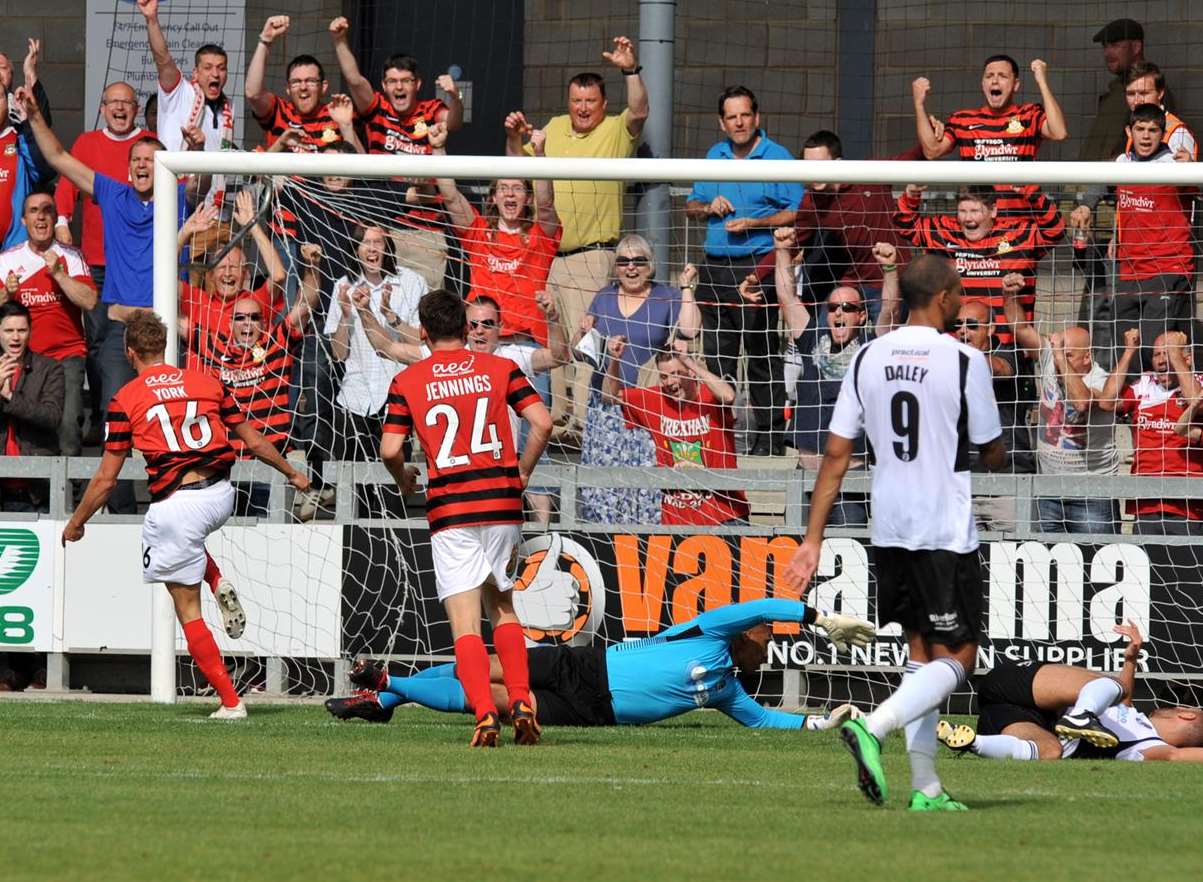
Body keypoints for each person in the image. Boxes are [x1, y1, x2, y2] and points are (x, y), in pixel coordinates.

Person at [784, 253, 1008, 811]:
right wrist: (993, 448)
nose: (960, 300)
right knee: (958, 658)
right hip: (941, 528)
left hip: (888, 525)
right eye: (957, 292)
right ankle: (874, 728)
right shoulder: (964, 360)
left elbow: (834, 456)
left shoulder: (866, 357)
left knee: (919, 656)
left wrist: (812, 540)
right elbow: (993, 452)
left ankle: (926, 789)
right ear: (944, 298)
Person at [61, 311, 310, 718]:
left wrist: (77, 522)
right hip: (220, 495)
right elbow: (251, 438)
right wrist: (292, 473)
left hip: (178, 504)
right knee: (189, 540)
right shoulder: (207, 382)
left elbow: (107, 480)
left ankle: (231, 703)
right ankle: (216, 579)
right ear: (164, 347)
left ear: (129, 353)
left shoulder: (126, 399)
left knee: (186, 610)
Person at [380, 289, 552, 747]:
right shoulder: (501, 368)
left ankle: (483, 713)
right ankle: (520, 700)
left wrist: (404, 479)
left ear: (423, 331)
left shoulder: (408, 380)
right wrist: (522, 472)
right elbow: (543, 422)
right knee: (503, 607)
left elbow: (390, 449)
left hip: (452, 508)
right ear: (465, 328)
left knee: (464, 622)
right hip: (500, 503)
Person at [18, 87, 199, 514]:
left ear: (165, 168)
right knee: (116, 418)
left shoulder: (177, 199)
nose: (139, 165)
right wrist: (33, 116)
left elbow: (204, 182)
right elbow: (60, 158)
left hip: (164, 329)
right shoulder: (115, 196)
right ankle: (121, 512)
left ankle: (175, 505)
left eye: (148, 161)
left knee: (171, 419)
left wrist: (197, 151)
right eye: (134, 160)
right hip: (122, 329)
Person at [327, 598, 873, 730]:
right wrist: (817, 618)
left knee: (491, 697)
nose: (760, 634)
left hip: (592, 711)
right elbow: (761, 606)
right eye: (758, 632)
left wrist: (818, 722)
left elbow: (765, 721)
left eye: (763, 637)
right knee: (481, 667)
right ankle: (388, 691)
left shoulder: (730, 693)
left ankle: (385, 690)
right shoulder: (710, 634)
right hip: (586, 666)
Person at [506, 36, 648, 438]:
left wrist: (630, 70)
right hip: (549, 256)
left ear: (603, 104)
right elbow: (517, 167)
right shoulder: (552, 128)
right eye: (576, 101)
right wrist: (514, 139)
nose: (583, 109)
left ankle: (586, 423)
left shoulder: (617, 131)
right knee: (556, 339)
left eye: (590, 102)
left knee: (589, 340)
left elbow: (639, 111)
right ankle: (560, 419)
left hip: (593, 255)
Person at [355, 293, 569, 523]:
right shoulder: (440, 355)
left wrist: (553, 318)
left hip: (492, 475)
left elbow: (558, 357)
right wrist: (364, 310)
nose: (479, 330)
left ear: (500, 326)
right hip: (468, 484)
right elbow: (386, 347)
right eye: (474, 324)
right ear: (464, 328)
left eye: (487, 324)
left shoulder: (511, 357)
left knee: (534, 531)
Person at [685, 86, 803, 456]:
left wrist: (756, 222)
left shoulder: (778, 157)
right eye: (731, 116)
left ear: (757, 118)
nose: (739, 122)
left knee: (762, 355)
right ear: (722, 122)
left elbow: (797, 211)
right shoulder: (714, 155)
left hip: (757, 268)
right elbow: (691, 204)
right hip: (715, 269)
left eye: (744, 115)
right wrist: (708, 207)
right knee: (718, 358)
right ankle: (718, 442)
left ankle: (768, 444)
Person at [770, 231, 902, 526]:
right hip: (807, 475)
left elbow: (891, 310)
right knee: (798, 560)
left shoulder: (873, 344)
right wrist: (781, 250)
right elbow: (786, 298)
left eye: (848, 308)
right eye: (833, 308)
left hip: (850, 478)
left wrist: (890, 270)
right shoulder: (811, 336)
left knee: (850, 557)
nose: (839, 312)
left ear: (862, 316)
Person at [939, 622, 1203, 762]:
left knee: (1050, 752)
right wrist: (1131, 659)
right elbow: (1125, 698)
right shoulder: (1136, 718)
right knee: (1115, 688)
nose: (1179, 705)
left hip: (1014, 719)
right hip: (1019, 686)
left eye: (1186, 707)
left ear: (1188, 716)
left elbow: (1176, 755)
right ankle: (1082, 715)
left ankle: (973, 742)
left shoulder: (1151, 748)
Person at [52, 80, 154, 443]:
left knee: (145, 339)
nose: (120, 109)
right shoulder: (87, 143)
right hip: (95, 261)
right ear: (103, 108)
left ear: (136, 108)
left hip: (139, 266)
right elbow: (67, 182)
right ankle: (102, 413)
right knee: (98, 342)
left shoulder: (149, 146)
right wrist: (62, 220)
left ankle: (142, 415)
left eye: (126, 103)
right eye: (113, 103)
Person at [328, 15, 462, 287]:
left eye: (406, 81)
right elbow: (355, 81)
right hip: (382, 231)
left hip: (423, 233)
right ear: (384, 85)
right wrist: (340, 40)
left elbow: (454, 122)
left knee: (425, 313)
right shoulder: (378, 108)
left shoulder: (431, 109)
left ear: (418, 84)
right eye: (392, 81)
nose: (399, 87)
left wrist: (456, 97)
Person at [576, 235, 701, 524]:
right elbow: (580, 351)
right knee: (603, 492)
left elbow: (690, 331)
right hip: (606, 408)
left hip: (647, 409)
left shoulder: (666, 296)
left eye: (638, 261)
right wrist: (581, 334)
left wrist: (685, 287)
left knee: (646, 490)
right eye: (623, 261)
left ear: (650, 265)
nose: (631, 268)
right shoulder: (604, 297)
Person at [194, 244, 321, 518]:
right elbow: (164, 309)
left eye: (254, 318)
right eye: (240, 318)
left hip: (268, 469)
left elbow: (306, 302)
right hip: (222, 470)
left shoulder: (276, 343)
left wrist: (312, 267)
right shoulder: (213, 346)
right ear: (230, 324)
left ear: (263, 323)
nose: (247, 324)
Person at [320, 225, 426, 516]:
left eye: (378, 242)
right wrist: (343, 316)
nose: (372, 248)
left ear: (387, 246)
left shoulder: (412, 282)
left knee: (392, 489)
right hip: (353, 399)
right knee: (355, 493)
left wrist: (393, 317)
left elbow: (423, 342)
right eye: (366, 242)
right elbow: (339, 353)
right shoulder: (344, 284)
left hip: (396, 395)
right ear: (356, 248)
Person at [756, 129, 913, 324]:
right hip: (849, 285)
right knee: (823, 341)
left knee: (885, 347)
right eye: (808, 167)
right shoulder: (811, 201)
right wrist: (756, 276)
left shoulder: (870, 174)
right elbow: (795, 242)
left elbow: (917, 156)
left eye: (820, 166)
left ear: (837, 164)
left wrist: (934, 134)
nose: (814, 173)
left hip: (888, 282)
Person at [1004, 287, 1127, 534]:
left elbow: (1081, 402)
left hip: (1092, 496)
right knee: (1047, 566)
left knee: (1096, 567)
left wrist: (1059, 357)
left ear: (1086, 357)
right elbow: (1020, 328)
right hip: (1049, 493)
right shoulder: (1052, 357)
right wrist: (1009, 295)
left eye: (1069, 354)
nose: (1061, 357)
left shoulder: (1100, 379)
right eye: (1061, 353)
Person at [1081, 105, 1194, 370]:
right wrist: (1087, 204)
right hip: (1129, 271)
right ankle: (1131, 410)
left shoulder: (1177, 164)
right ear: (1129, 131)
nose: (1146, 136)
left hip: (1168, 268)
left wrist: (1193, 170)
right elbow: (1096, 181)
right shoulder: (1122, 164)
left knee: (1152, 350)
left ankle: (1159, 409)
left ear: (1163, 134)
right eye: (1140, 129)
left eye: (1153, 130)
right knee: (1125, 351)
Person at [894, 183, 1065, 347]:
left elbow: (1056, 231)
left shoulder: (1017, 235)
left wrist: (1034, 194)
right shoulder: (943, 232)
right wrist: (911, 196)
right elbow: (906, 227)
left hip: (1009, 347)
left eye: (975, 211)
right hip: (953, 345)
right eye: (962, 211)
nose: (968, 218)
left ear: (993, 210)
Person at [601, 339, 749, 526]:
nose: (670, 382)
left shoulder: (710, 395)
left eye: (676, 374)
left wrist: (689, 361)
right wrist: (614, 360)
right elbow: (609, 396)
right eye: (664, 377)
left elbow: (729, 395)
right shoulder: (653, 399)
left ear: (690, 372)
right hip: (677, 520)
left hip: (725, 515)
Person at [0, 192, 97, 457]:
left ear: (55, 218)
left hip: (67, 355)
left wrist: (59, 275)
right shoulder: (8, 259)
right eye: (33, 211)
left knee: (67, 425)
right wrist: (6, 295)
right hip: (23, 358)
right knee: (22, 425)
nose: (40, 217)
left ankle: (68, 496)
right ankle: (29, 492)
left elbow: (89, 301)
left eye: (47, 211)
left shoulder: (72, 256)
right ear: (23, 220)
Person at [913, 55, 1067, 216]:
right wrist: (919, 104)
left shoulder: (1030, 114)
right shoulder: (963, 119)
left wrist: (1042, 82)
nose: (995, 81)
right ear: (983, 85)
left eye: (1002, 76)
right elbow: (932, 150)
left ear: (1015, 85)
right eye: (989, 76)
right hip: (979, 224)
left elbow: (1059, 133)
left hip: (1021, 223)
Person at [953, 289, 1035, 531]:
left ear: (990, 329)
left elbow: (999, 369)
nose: (963, 332)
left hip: (1008, 478)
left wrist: (949, 357)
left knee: (1016, 560)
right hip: (965, 480)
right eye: (958, 326)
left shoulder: (1009, 353)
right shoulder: (951, 359)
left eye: (971, 326)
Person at [1115, 330, 1203, 536]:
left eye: (1168, 353)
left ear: (1187, 358)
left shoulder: (1198, 383)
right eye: (1157, 354)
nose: (1163, 360)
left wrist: (1177, 357)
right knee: (1146, 567)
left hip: (1188, 505)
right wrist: (1129, 352)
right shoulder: (1143, 386)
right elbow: (1106, 402)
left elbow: (1195, 402)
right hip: (1147, 501)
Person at [246, 17, 363, 153]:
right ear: (288, 89)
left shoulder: (336, 114)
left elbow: (363, 167)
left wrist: (346, 125)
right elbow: (253, 94)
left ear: (323, 87)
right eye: (296, 82)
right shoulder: (279, 111)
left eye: (310, 81)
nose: (303, 87)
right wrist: (265, 40)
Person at [138, 0, 235, 154]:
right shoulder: (180, 92)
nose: (215, 74)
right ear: (195, 73)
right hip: (174, 178)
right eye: (208, 68)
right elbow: (163, 59)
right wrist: (151, 19)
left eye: (221, 68)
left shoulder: (228, 107)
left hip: (212, 178)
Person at [1079, 19, 1175, 163]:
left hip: (1121, 179)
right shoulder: (1115, 91)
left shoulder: (1153, 93)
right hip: (1088, 177)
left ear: (1136, 47)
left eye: (1115, 45)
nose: (1107, 52)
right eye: (1105, 46)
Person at [0, 299, 63, 511]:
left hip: (36, 491)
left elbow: (52, 416)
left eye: (21, 330)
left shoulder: (49, 368)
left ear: (30, 332)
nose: (15, 337)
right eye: (9, 330)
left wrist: (9, 396)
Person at [0, 85, 44, 249]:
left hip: (14, 249)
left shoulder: (21, 139)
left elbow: (42, 172)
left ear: (8, 102)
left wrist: (26, 124)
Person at [0, 39, 51, 127]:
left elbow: (43, 130)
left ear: (11, 74)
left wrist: (30, 73)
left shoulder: (21, 107)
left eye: (2, 67)